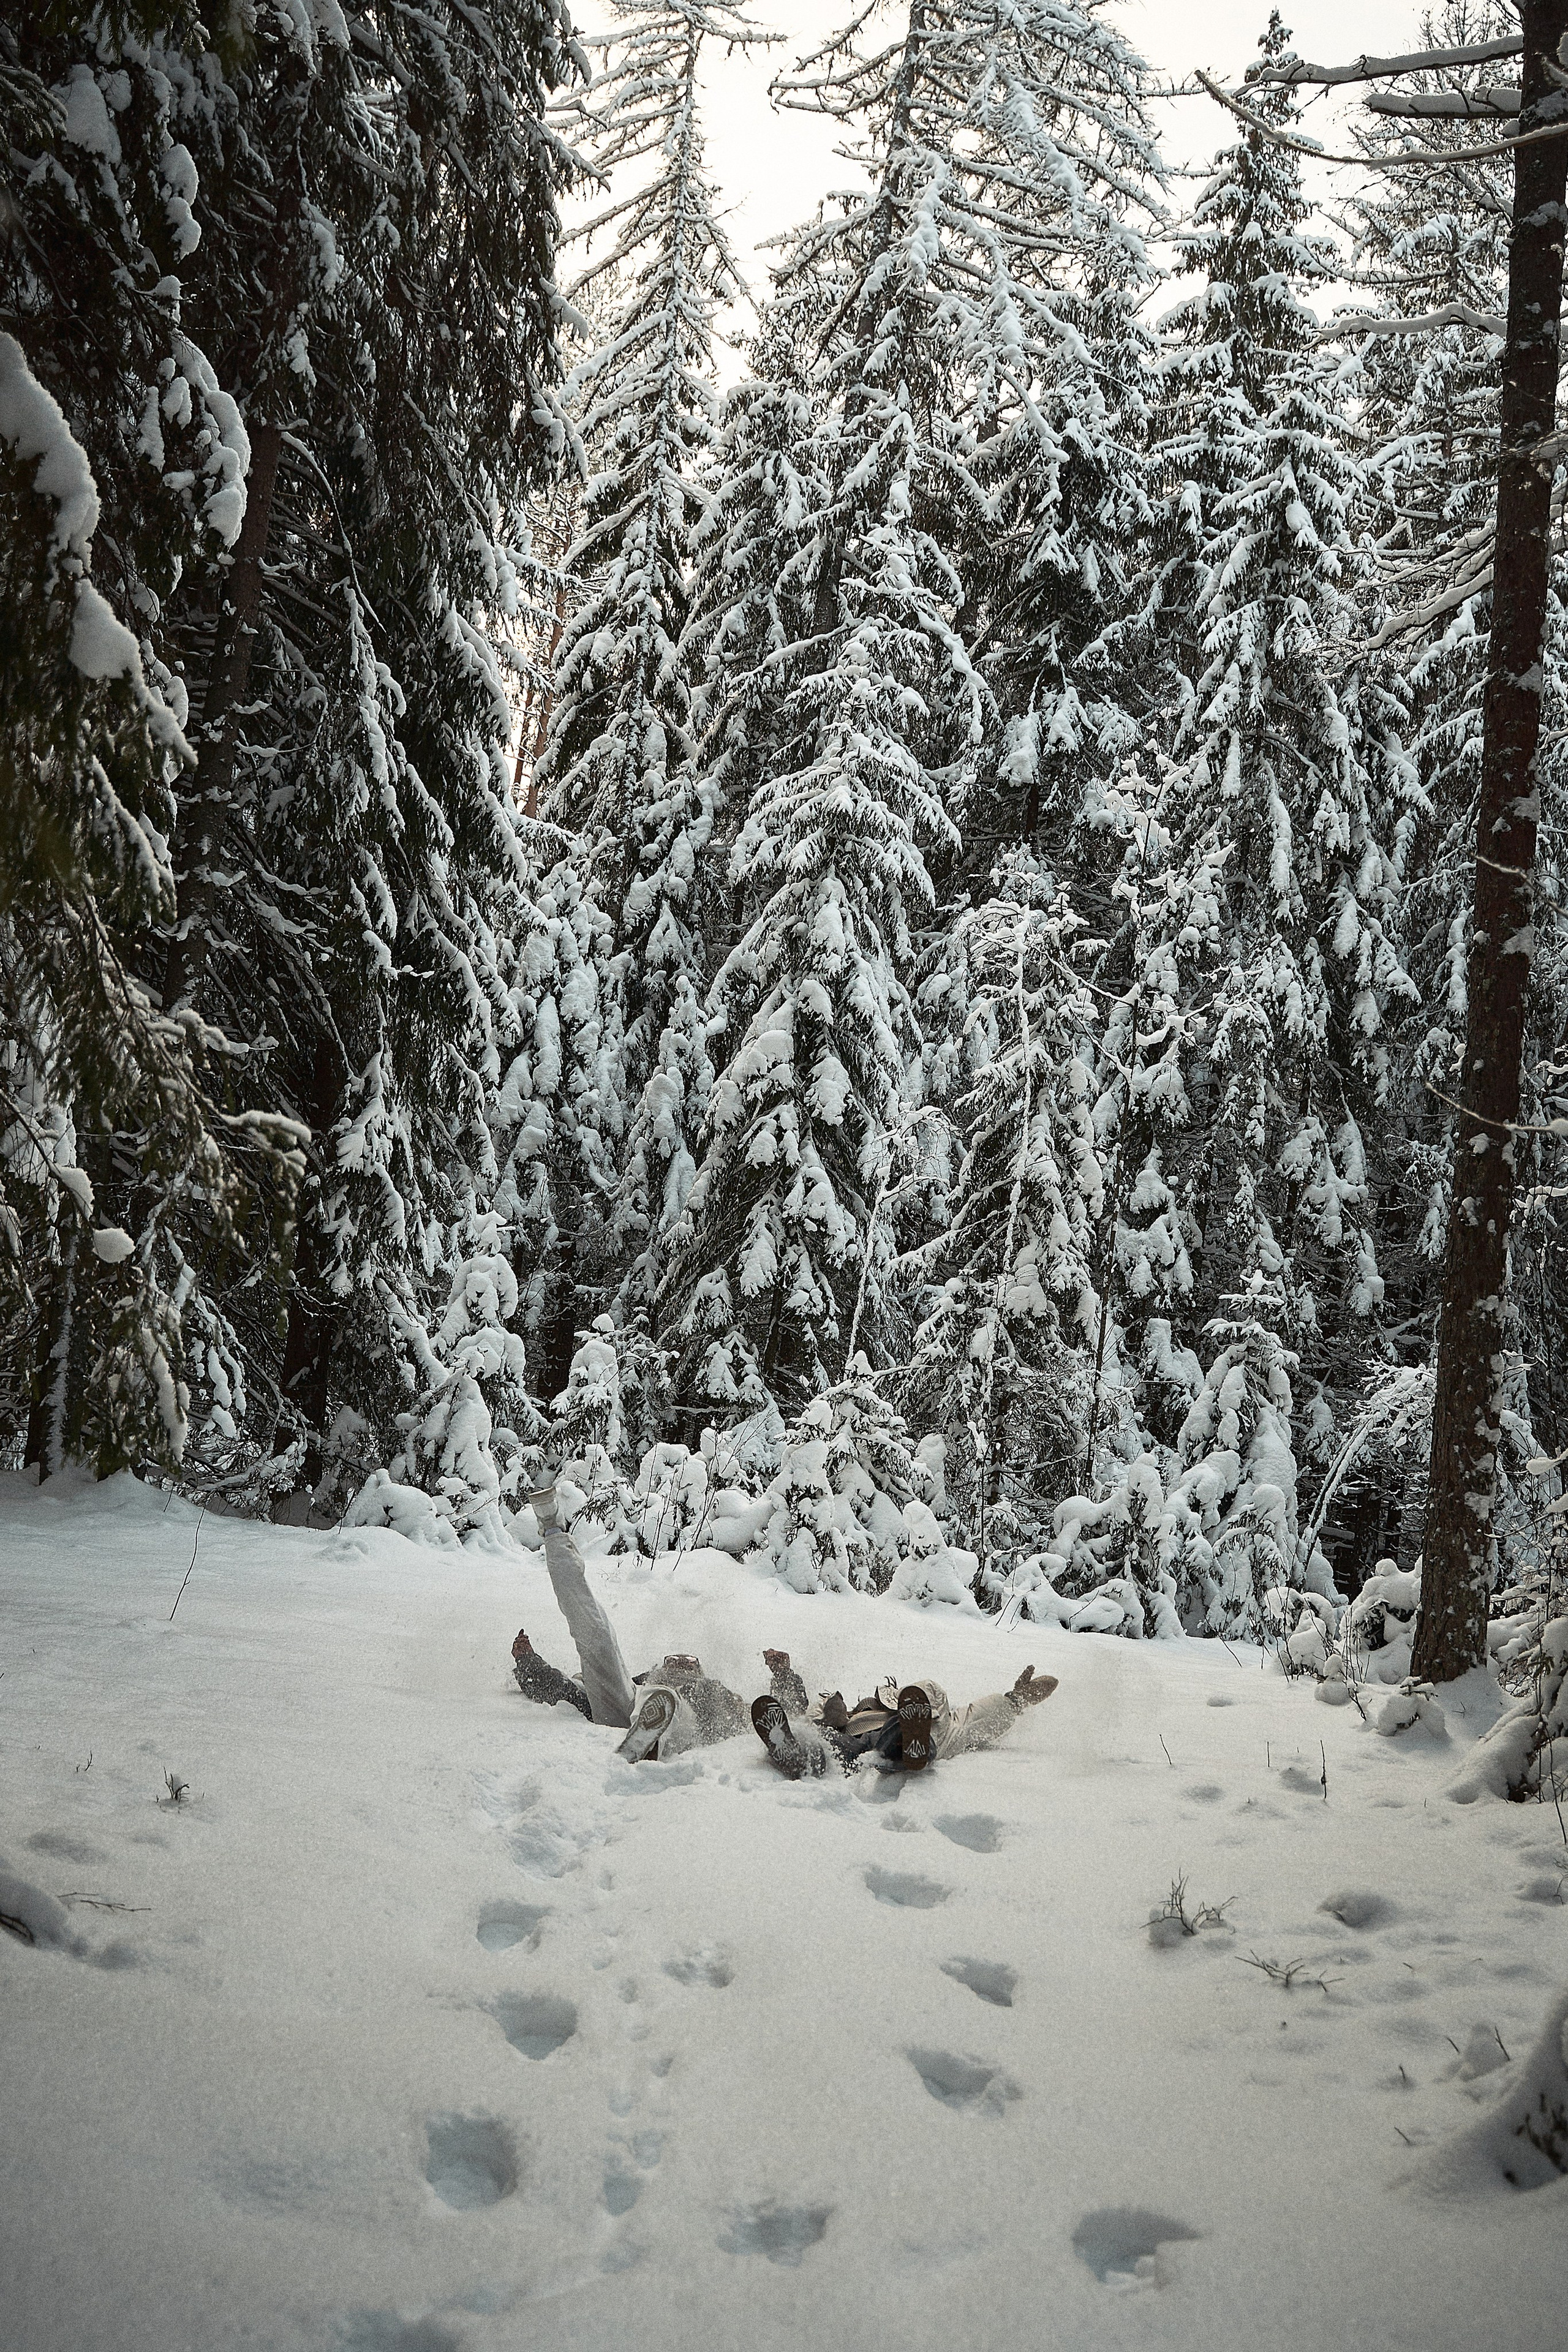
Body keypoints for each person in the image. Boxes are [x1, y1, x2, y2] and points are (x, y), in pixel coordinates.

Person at [513, 1485, 786, 1762]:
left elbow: (765, 1716)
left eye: (687, 1661)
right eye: (674, 1660)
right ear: (661, 1666)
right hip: (626, 1711)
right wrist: (529, 1664)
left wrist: (784, 1678)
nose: (680, 1663)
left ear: (700, 1669)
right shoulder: (641, 1683)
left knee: (668, 1701)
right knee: (599, 1641)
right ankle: (552, 1528)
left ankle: (656, 1737)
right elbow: (568, 1692)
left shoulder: (713, 1693)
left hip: (682, 1728)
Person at [748, 1665, 1058, 1779]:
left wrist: (1020, 1697)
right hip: (866, 1738)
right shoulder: (859, 1713)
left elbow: (992, 1714)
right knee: (837, 1748)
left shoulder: (955, 1719)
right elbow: (818, 1717)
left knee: (894, 1737)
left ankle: (914, 1745)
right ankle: (797, 1756)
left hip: (912, 1730)